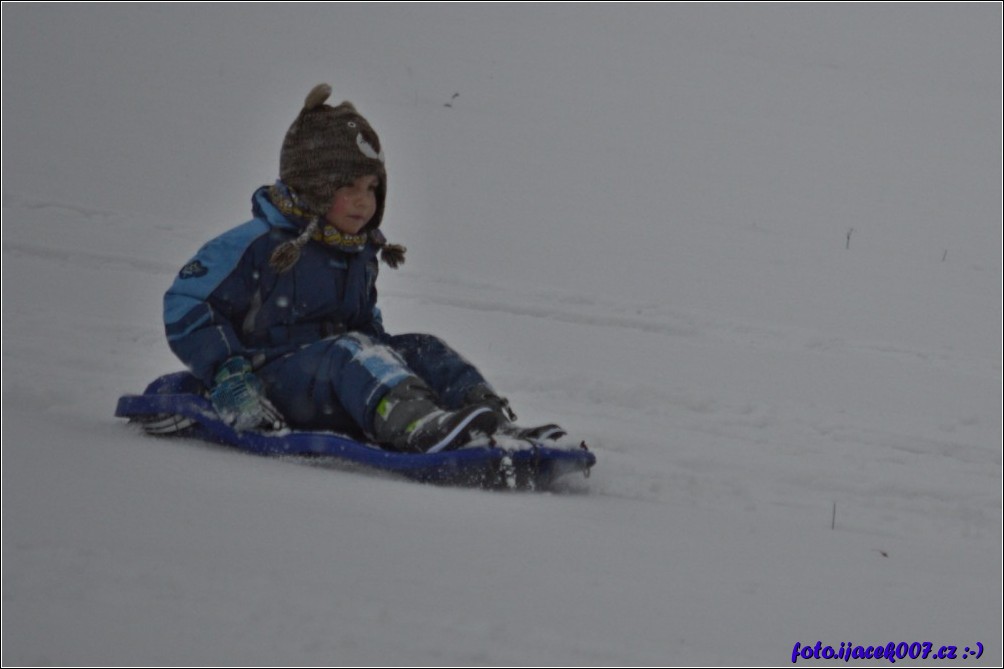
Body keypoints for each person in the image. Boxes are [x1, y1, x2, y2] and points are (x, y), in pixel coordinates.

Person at [163, 83, 553, 453]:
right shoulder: (257, 243)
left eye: (371, 188)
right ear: (314, 186)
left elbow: (362, 326)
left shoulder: (356, 250)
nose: (363, 201)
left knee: (422, 347)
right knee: (351, 352)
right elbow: (188, 302)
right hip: (274, 381)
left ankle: (490, 424)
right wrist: (229, 375)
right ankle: (415, 424)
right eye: (348, 187)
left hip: (339, 375)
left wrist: (391, 355)